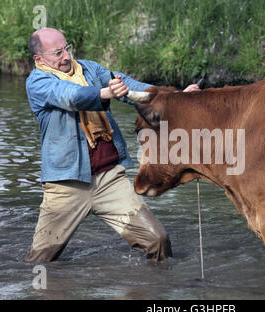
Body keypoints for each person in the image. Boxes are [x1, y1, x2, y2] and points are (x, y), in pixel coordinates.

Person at [24, 27, 199, 263]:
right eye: (58, 53)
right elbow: (70, 96)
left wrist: (177, 97)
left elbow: (130, 86)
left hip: (110, 180)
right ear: (39, 59)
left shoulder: (90, 69)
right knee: (40, 262)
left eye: (67, 48)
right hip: (66, 185)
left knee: (157, 241)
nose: (66, 56)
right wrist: (106, 92)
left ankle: (154, 290)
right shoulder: (37, 82)